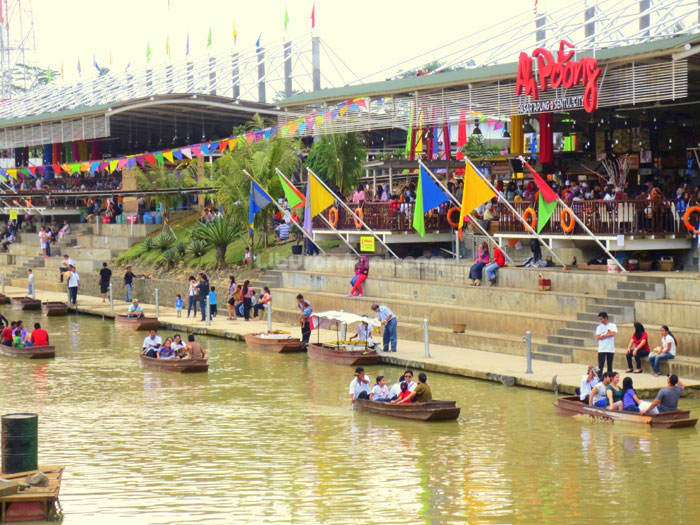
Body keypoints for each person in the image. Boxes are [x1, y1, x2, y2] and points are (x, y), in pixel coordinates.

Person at [595, 312, 616, 379]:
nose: (601, 321)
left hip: (610, 349)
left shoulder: (612, 325)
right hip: (602, 349)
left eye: (601, 319)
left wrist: (603, 335)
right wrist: (607, 334)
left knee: (609, 365)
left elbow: (613, 334)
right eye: (600, 319)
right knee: (600, 365)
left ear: (606, 318)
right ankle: (600, 378)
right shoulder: (599, 327)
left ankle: (609, 378)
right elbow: (598, 337)